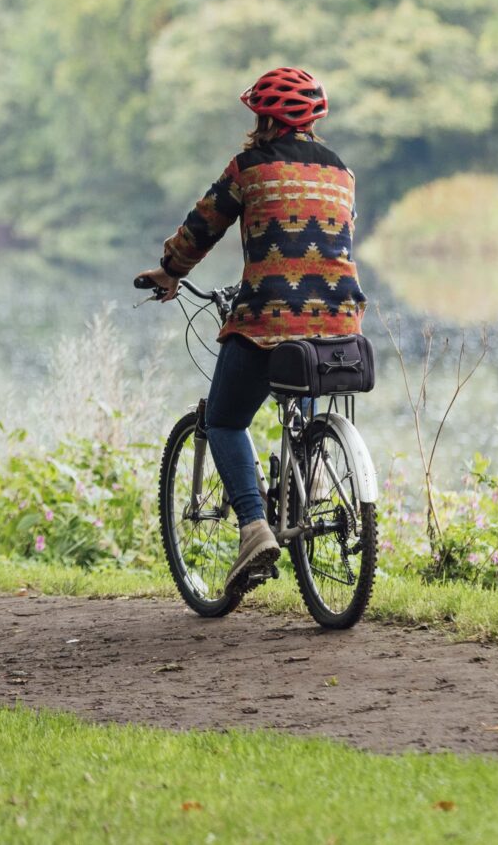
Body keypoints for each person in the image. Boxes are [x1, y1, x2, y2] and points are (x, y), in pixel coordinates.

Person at [138, 66, 360, 602]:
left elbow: (202, 227)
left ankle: (254, 528)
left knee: (224, 419)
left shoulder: (250, 168)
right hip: (340, 327)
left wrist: (170, 270)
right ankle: (314, 472)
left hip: (269, 321)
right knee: (305, 376)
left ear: (263, 118)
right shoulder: (342, 173)